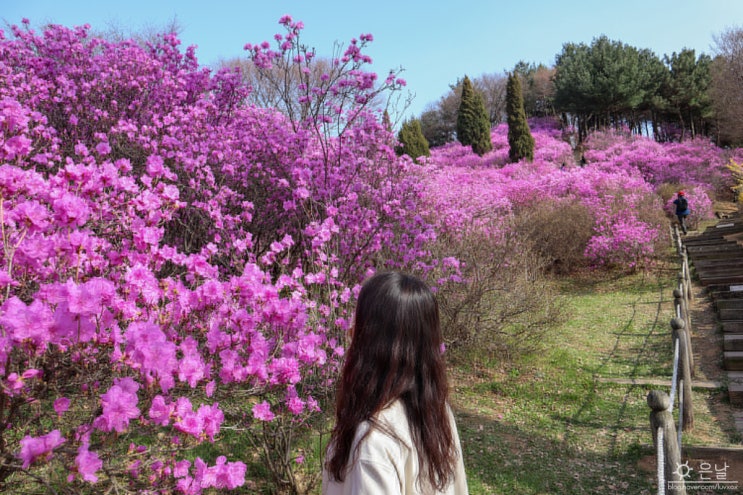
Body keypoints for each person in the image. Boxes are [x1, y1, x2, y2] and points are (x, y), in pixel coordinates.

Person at [322, 271, 468, 495]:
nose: (350, 330)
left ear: (368, 341)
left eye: (357, 322)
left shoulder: (373, 441)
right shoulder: (437, 413)